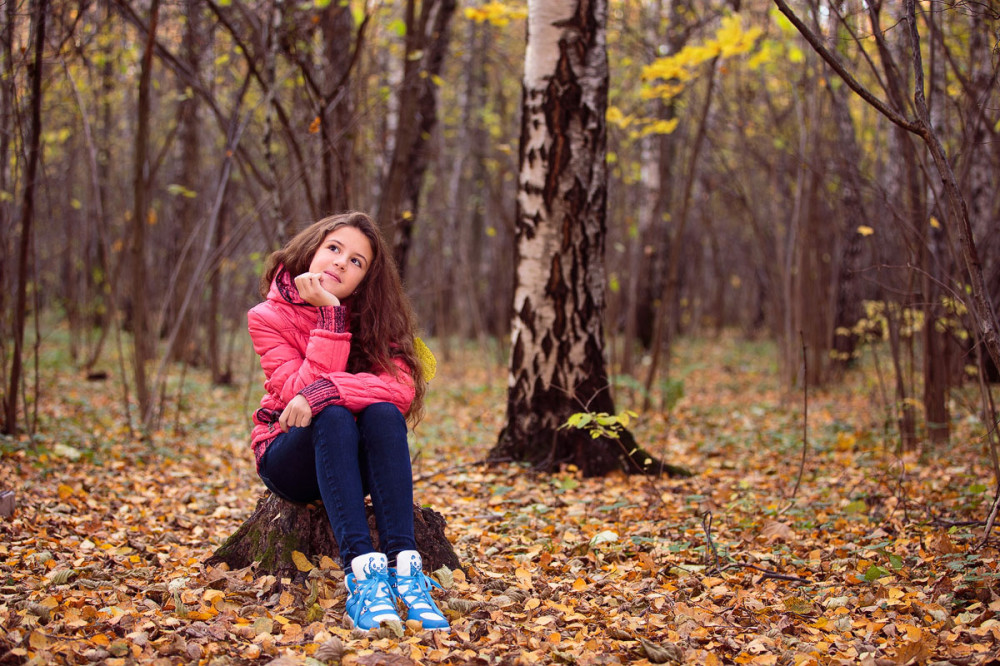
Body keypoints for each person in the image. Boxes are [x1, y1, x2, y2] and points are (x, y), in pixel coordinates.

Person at [247, 211, 449, 631]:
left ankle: (407, 571)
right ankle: (363, 577)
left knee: (380, 412)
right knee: (334, 415)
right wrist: (331, 319)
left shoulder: (380, 319)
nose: (341, 262)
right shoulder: (267, 316)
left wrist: (326, 390)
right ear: (312, 251)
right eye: (334, 249)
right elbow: (294, 400)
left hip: (352, 459)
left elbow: (400, 389)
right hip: (288, 455)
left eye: (356, 261)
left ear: (365, 279)